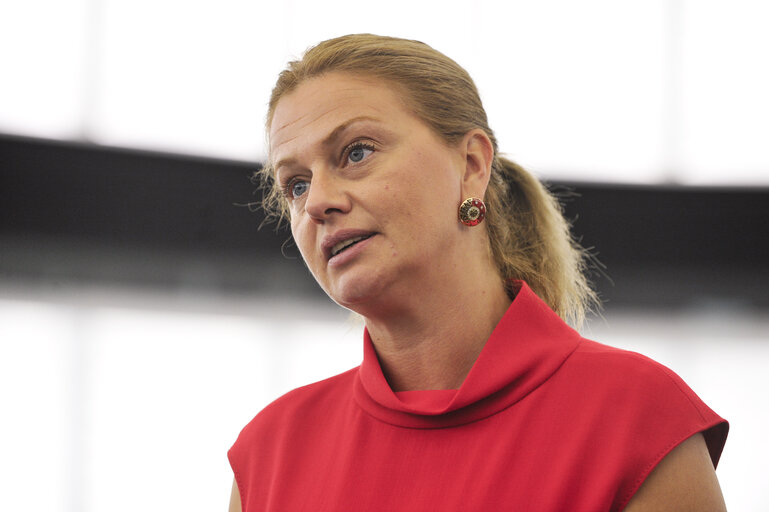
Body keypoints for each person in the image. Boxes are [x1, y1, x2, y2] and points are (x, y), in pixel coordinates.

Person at [228, 34, 728, 511]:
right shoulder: (268, 452)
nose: (316, 202)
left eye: (357, 152)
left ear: (471, 164)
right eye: (295, 184)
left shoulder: (638, 417)